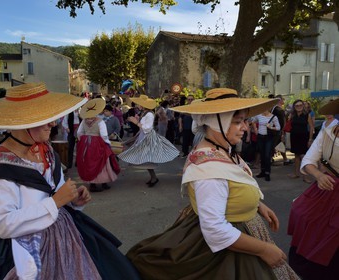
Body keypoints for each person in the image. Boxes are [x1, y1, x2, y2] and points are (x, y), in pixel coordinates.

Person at [0, 83, 140, 280]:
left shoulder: (45, 149)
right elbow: (4, 225)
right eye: (46, 119)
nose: (53, 124)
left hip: (65, 233)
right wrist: (56, 202)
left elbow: (53, 188)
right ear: (23, 123)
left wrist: (73, 201)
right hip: (20, 247)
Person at [126, 88, 299, 279]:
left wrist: (258, 204)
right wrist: (264, 250)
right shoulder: (208, 168)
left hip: (241, 230)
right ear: (218, 123)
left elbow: (234, 183)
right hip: (229, 247)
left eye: (244, 121)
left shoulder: (220, 149)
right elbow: (215, 229)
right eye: (237, 121)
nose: (245, 128)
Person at [287, 98, 339, 279]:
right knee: (303, 215)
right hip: (327, 187)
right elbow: (309, 160)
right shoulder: (328, 130)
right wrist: (319, 175)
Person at [118, 95, 179, 187]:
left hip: (148, 138)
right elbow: (144, 127)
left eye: (139, 103)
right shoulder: (145, 113)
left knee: (147, 160)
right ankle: (153, 178)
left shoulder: (149, 114)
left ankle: (154, 178)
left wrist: (136, 122)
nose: (138, 105)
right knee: (146, 160)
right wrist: (138, 122)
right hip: (144, 137)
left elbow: (147, 128)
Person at [77, 99, 120, 192]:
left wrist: (83, 141)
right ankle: (104, 183)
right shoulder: (100, 121)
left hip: (86, 144)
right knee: (103, 161)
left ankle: (92, 184)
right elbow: (104, 135)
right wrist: (107, 143)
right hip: (97, 143)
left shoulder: (84, 121)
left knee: (89, 162)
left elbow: (79, 132)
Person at [287, 99, 314, 182]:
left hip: (303, 137)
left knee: (304, 157)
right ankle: (296, 173)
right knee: (296, 156)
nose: (299, 107)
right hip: (294, 137)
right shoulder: (292, 115)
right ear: (294, 107)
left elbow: (311, 127)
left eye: (300, 105)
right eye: (297, 105)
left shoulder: (307, 115)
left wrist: (310, 139)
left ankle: (305, 176)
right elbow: (287, 124)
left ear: (303, 106)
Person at [252, 109, 281, 181]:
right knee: (262, 154)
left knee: (267, 155)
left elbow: (278, 127)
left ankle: (267, 173)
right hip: (260, 137)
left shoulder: (274, 117)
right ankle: (262, 172)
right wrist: (255, 129)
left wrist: (270, 127)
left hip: (269, 138)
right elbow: (253, 121)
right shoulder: (258, 115)